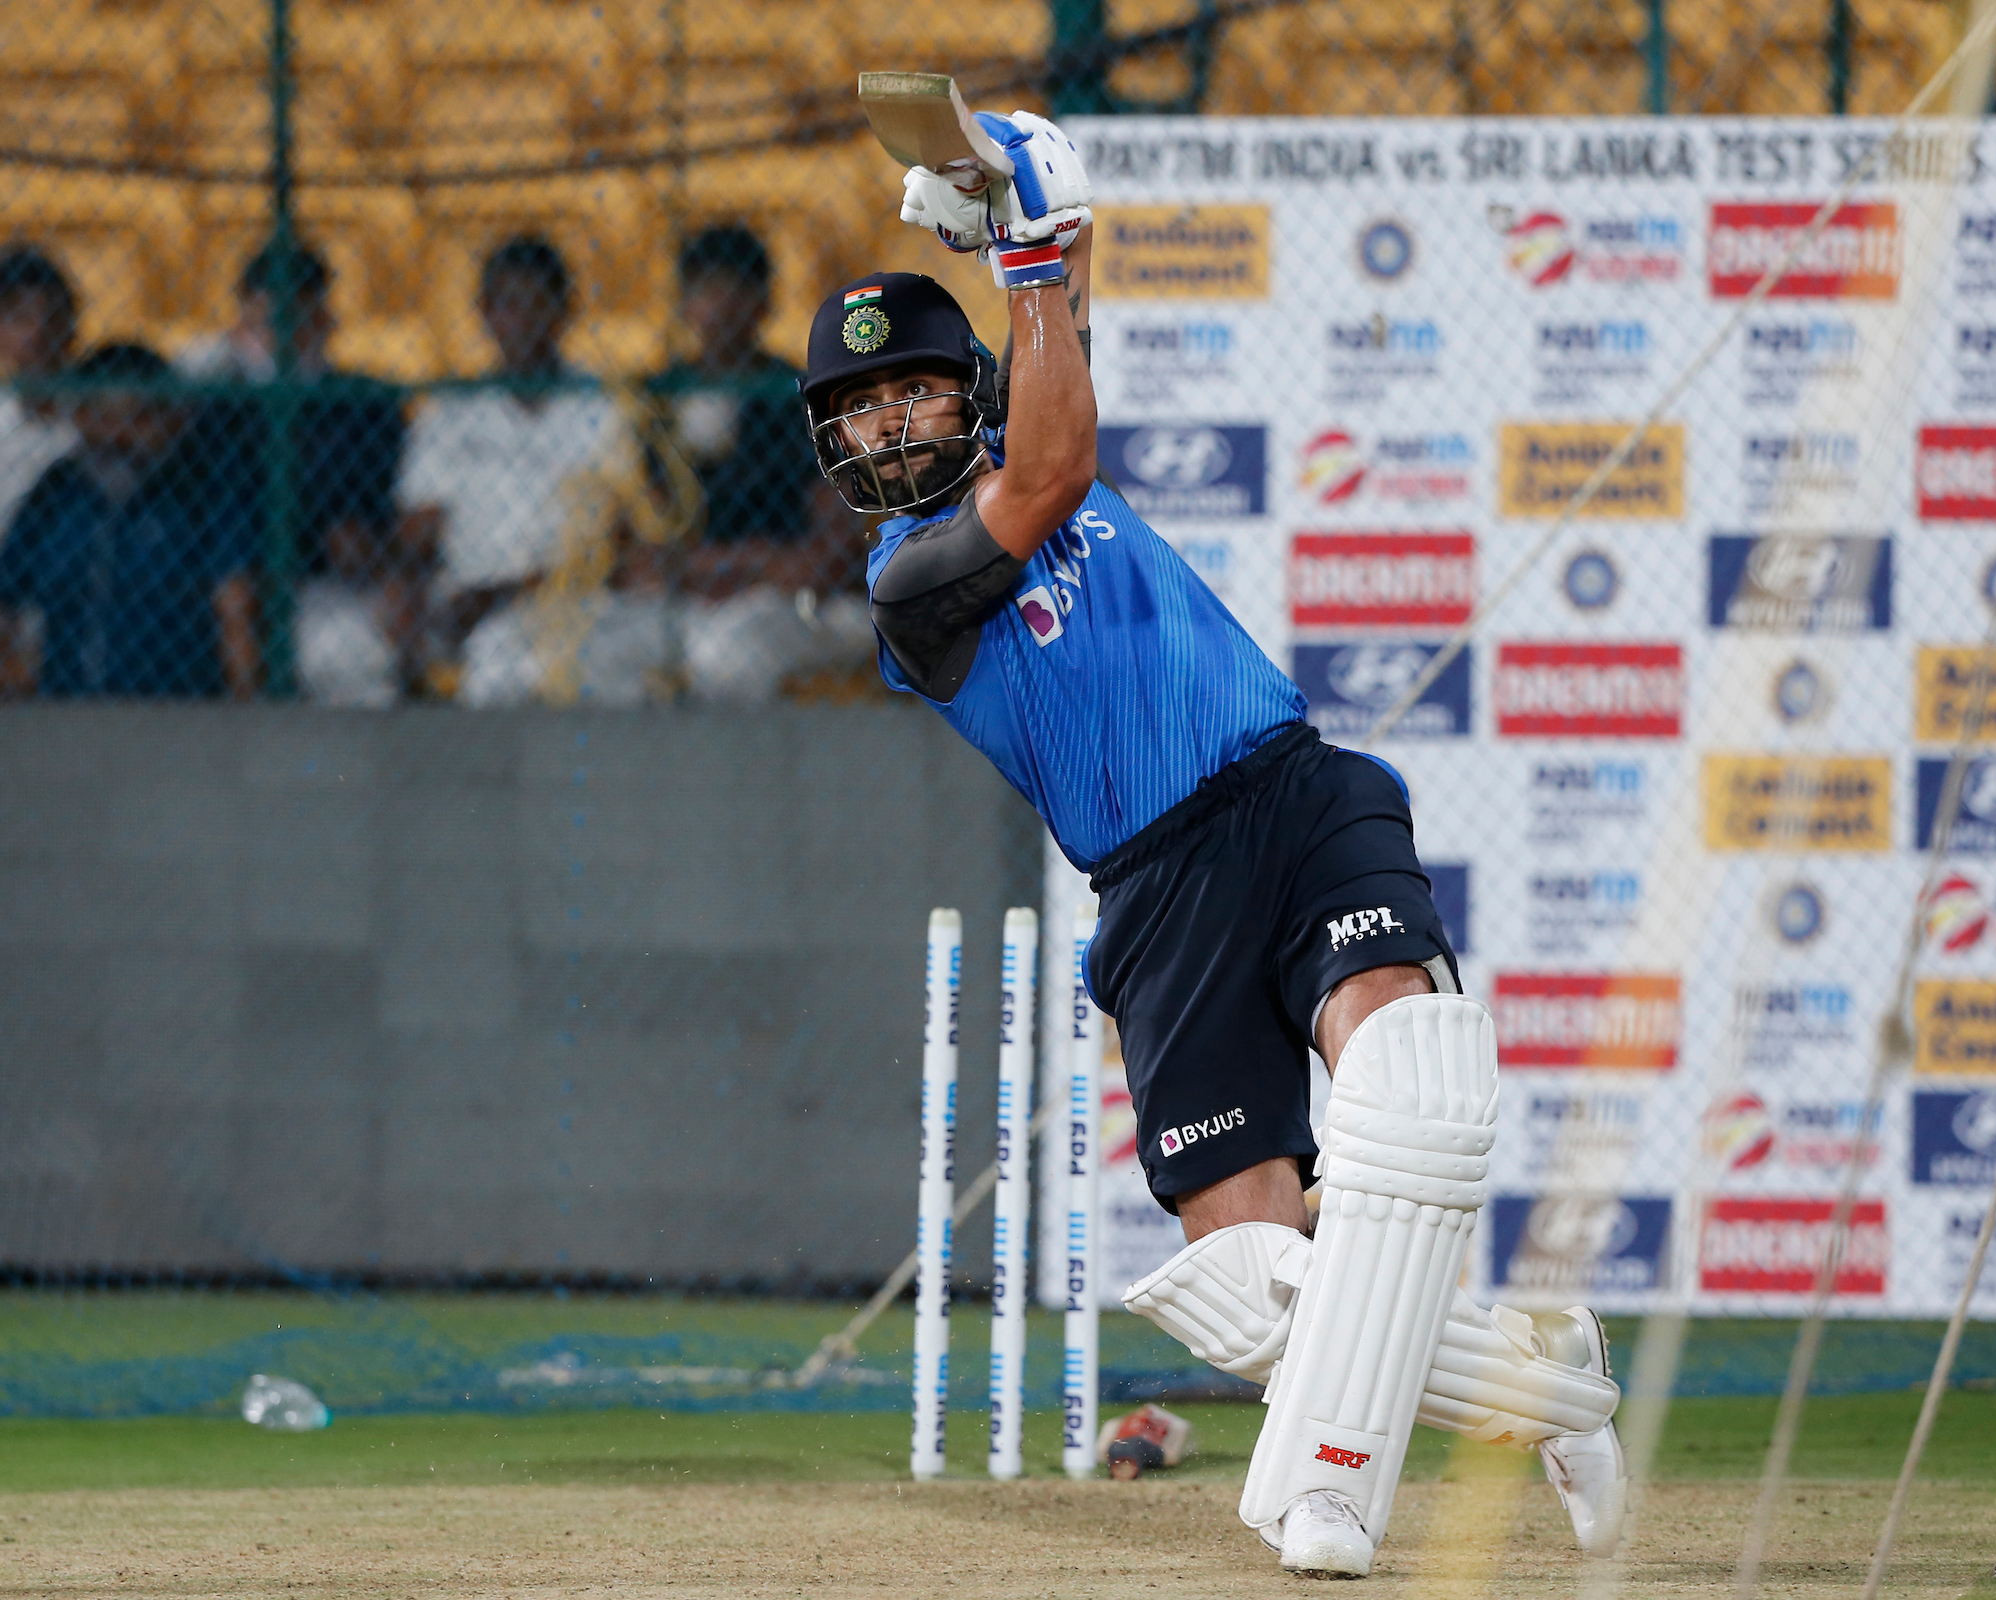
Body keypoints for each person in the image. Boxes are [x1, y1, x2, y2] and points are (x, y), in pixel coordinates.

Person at [807, 113, 1626, 1576]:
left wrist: (1022, 222)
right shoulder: (911, 585)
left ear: (969, 392)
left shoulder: (1026, 415)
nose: (887, 428)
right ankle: (1542, 1375)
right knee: (1260, 1289)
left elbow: (1059, 339)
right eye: (860, 411)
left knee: (1405, 1097)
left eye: (915, 393)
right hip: (1159, 893)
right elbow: (1050, 466)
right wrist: (1030, 242)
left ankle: (1328, 1490)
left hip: (1295, 799)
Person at [625, 224, 870, 702]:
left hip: (794, 605)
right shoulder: (656, 404)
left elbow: (829, 560)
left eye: (735, 290)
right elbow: (638, 562)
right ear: (682, 303)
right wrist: (754, 561)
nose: (720, 308)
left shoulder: (806, 400)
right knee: (604, 648)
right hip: (686, 602)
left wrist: (708, 568)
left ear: (764, 303)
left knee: (724, 653)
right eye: (705, 290)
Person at [395, 235, 622, 706]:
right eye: (507, 306)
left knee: (512, 669)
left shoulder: (601, 407)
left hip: (575, 597)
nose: (522, 322)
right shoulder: (450, 411)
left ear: (565, 313)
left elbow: (614, 534)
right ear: (483, 313)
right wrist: (412, 593)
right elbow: (418, 529)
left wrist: (509, 593)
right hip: (467, 597)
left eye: (538, 305)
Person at [180, 242, 408, 707]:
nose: (283, 337)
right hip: (214, 588)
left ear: (324, 320)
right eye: (266, 321)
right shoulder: (208, 407)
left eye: (298, 318)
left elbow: (363, 532)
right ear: (241, 325)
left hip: (331, 590)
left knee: (353, 653)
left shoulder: (365, 405)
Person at [0, 343, 255, 698]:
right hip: (64, 712)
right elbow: (7, 597)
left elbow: (235, 608)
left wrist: (244, 710)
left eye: (139, 419)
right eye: (102, 418)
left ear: (173, 419)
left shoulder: (201, 494)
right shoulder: (58, 492)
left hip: (178, 714)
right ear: (79, 417)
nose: (118, 436)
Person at [0, 247, 81, 694]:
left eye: (51, 317)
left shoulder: (96, 425)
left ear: (72, 328)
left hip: (74, 602)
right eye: (18, 318)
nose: (37, 333)